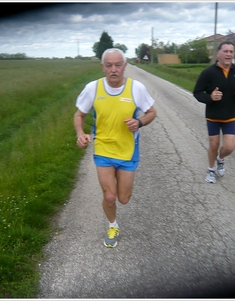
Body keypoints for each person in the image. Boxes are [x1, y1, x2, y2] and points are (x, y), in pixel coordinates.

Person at [74, 48, 156, 247]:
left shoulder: (136, 88)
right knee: (110, 196)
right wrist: (80, 134)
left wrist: (140, 122)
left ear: (125, 66)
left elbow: (151, 112)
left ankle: (118, 189)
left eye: (118, 65)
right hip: (103, 149)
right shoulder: (93, 88)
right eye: (109, 65)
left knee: (124, 198)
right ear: (102, 67)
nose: (113, 69)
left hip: (128, 151)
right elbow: (79, 115)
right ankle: (113, 225)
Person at [193, 41, 235, 183]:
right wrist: (210, 97)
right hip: (213, 116)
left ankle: (220, 159)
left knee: (229, 147)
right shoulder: (208, 73)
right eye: (226, 51)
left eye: (231, 51)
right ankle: (211, 170)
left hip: (230, 116)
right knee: (214, 145)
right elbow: (197, 92)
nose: (229, 54)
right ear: (218, 54)